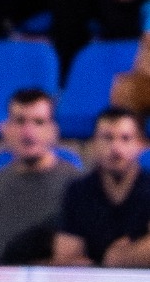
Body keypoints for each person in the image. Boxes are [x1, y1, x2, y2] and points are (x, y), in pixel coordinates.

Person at [0, 87, 78, 264]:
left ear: (53, 130)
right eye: (20, 121)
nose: (28, 132)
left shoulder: (76, 186)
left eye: (38, 122)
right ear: (5, 129)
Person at [52, 106, 150, 265]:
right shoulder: (79, 192)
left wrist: (120, 257)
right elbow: (66, 259)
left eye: (125, 138)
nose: (116, 148)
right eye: (107, 138)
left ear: (141, 144)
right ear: (93, 144)